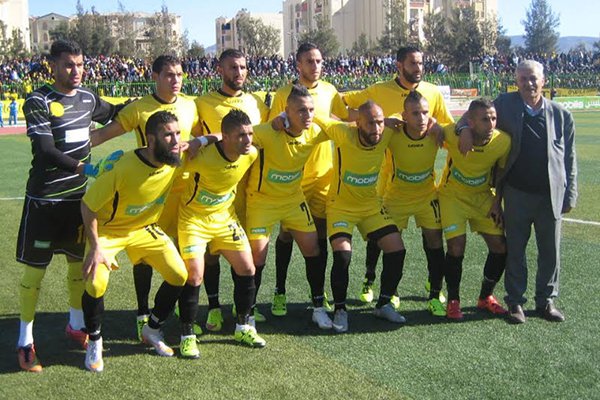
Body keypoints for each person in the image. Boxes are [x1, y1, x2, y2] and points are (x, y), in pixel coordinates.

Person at [15, 39, 118, 372]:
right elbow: (45, 150)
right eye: (69, 65)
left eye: (80, 64)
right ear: (54, 66)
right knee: (34, 274)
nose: (76, 71)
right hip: (45, 202)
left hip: (78, 202)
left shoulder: (88, 98)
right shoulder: (38, 100)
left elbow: (117, 112)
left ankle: (76, 324)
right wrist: (84, 168)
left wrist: (152, 102)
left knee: (78, 267)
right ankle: (25, 342)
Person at [91, 54, 201, 341]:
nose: (175, 80)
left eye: (179, 74)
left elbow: (203, 136)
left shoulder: (190, 105)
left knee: (183, 255)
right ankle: (142, 312)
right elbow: (104, 136)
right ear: (155, 77)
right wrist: (66, 151)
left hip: (183, 190)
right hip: (151, 194)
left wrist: (200, 141)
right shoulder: (139, 109)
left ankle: (172, 313)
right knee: (142, 257)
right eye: (168, 75)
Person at [460, 60, 577, 323]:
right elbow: (467, 117)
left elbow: (570, 159)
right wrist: (465, 130)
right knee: (515, 249)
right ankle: (515, 302)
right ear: (516, 80)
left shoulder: (561, 115)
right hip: (516, 193)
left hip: (551, 195)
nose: (529, 83)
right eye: (523, 78)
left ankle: (546, 301)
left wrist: (570, 195)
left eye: (533, 78)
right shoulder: (504, 103)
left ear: (543, 81)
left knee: (550, 251)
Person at [343, 46, 453, 307]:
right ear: (399, 65)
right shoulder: (378, 90)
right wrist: (377, 120)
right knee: (380, 237)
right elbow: (342, 105)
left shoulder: (433, 93)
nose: (418, 68)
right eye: (413, 63)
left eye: (421, 63)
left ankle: (433, 285)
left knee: (433, 237)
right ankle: (370, 280)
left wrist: (442, 127)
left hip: (425, 183)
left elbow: (447, 127)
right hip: (388, 181)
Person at [80, 111, 188, 372]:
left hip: (144, 229)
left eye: (177, 134)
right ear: (151, 141)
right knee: (95, 282)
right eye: (168, 135)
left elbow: (213, 142)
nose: (175, 141)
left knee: (179, 274)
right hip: (109, 231)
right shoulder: (124, 167)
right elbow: (88, 206)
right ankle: (95, 340)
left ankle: (152, 329)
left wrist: (204, 141)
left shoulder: (174, 157)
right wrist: (95, 247)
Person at [267, 42, 350, 316]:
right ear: (298, 65)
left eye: (319, 61)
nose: (315, 66)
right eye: (309, 61)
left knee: (320, 236)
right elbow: (273, 130)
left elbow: (345, 119)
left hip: (324, 176)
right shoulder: (283, 94)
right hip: (294, 178)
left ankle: (320, 293)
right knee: (287, 234)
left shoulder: (329, 91)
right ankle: (279, 290)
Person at [314, 101, 407, 333]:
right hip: (340, 206)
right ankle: (340, 309)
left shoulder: (385, 132)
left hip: (370, 206)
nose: (376, 129)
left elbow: (416, 117)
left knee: (397, 249)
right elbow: (318, 115)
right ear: (358, 124)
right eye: (371, 123)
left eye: (379, 122)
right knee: (343, 255)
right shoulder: (343, 133)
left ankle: (384, 304)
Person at [178, 109, 266, 353]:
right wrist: (201, 140)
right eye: (241, 135)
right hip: (193, 219)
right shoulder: (200, 157)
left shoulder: (250, 155)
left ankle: (244, 328)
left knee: (247, 268)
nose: (248, 140)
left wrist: (206, 137)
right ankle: (187, 336)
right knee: (194, 275)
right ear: (225, 137)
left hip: (225, 219)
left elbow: (235, 137)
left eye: (249, 134)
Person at [246, 85, 333, 330]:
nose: (307, 116)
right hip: (262, 201)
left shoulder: (315, 131)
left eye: (311, 110)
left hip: (293, 200)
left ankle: (318, 308)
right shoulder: (267, 132)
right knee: (257, 257)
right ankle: (247, 314)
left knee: (312, 248)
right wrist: (201, 141)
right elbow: (234, 135)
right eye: (301, 111)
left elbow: (344, 128)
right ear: (287, 111)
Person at [195, 48, 269, 331]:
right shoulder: (202, 103)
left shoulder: (255, 103)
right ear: (220, 70)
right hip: (215, 190)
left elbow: (260, 138)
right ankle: (213, 307)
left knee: (249, 252)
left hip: (250, 189)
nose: (238, 73)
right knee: (211, 252)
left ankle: (245, 309)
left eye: (242, 67)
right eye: (232, 68)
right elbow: (194, 140)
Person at [438, 99, 510, 320]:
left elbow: (501, 174)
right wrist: (461, 130)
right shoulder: (453, 134)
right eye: (485, 119)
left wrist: (497, 203)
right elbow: (434, 130)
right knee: (456, 247)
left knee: (500, 247)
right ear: (470, 121)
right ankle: (453, 300)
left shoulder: (503, 142)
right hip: (453, 196)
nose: (491, 124)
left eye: (493, 118)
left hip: (482, 198)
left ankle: (485, 297)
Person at [383, 91, 446, 316]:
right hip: (396, 197)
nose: (422, 118)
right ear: (404, 115)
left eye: (425, 113)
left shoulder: (436, 133)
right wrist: (384, 122)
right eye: (416, 113)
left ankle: (435, 293)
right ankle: (391, 292)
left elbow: (463, 128)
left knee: (435, 241)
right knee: (390, 244)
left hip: (427, 196)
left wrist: (458, 128)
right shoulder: (393, 133)